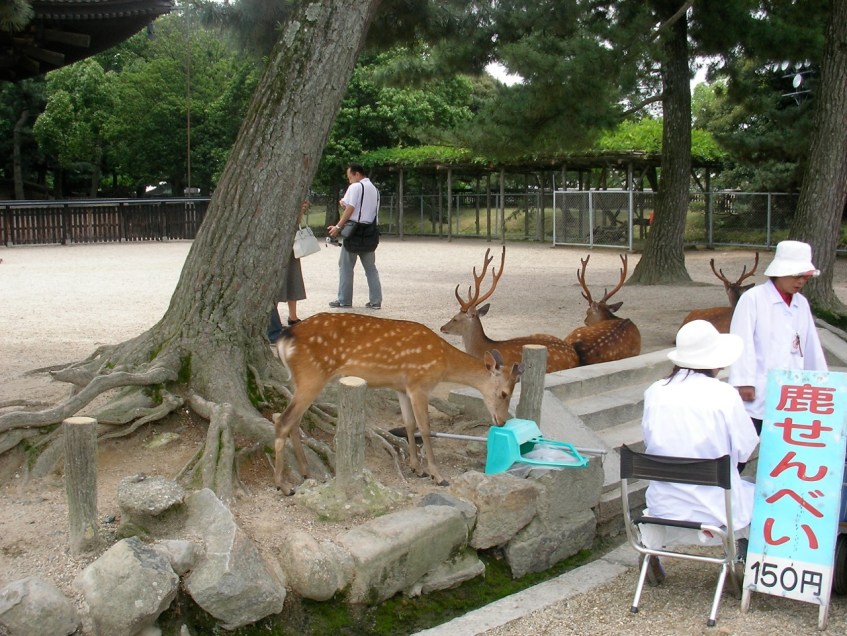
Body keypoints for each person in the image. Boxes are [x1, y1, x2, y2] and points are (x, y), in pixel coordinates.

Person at [640, 320, 759, 580]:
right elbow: (745, 450)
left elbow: (649, 441)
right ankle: (738, 558)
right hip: (715, 507)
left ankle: (650, 548)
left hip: (664, 502)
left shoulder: (655, 392)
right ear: (714, 360)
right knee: (755, 492)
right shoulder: (724, 394)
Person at [728, 240, 828, 435]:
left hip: (793, 390)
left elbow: (810, 346)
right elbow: (742, 340)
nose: (800, 282)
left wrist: (820, 381)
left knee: (784, 442)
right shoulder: (753, 298)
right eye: (796, 276)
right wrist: (744, 380)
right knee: (746, 445)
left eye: (805, 278)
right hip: (759, 386)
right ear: (780, 273)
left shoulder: (801, 303)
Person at [326, 163, 382, 309]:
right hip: (369, 232)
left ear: (357, 174)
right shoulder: (375, 190)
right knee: (371, 268)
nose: (349, 180)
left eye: (350, 177)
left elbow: (350, 208)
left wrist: (338, 226)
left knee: (345, 266)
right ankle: (376, 301)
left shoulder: (356, 187)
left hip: (354, 232)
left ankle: (344, 300)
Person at [268, 201, 310, 345]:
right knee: (272, 285)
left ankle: (279, 325)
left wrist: (300, 211)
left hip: (285, 243)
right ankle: (273, 330)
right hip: (277, 244)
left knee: (289, 278)